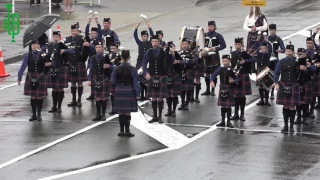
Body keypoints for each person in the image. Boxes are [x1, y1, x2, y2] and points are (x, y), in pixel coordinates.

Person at [274, 44, 313, 132]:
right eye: (287, 51)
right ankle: (285, 126)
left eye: (290, 51)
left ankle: (291, 126)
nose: (288, 53)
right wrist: (276, 83)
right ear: (285, 52)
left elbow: (306, 71)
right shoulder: (281, 61)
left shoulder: (297, 62)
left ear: (293, 52)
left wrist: (304, 68)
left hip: (294, 85)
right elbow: (276, 73)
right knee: (285, 105)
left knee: (292, 106)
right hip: (283, 84)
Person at [142, 35, 174, 123]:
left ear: (159, 42)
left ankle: (160, 116)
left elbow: (170, 61)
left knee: (160, 98)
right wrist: (146, 73)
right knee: (153, 98)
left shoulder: (164, 51)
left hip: (161, 76)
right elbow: (144, 63)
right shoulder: (149, 52)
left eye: (156, 41)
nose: (154, 43)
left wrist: (171, 52)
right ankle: (154, 116)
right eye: (153, 41)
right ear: (151, 42)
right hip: (152, 76)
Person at [111, 50, 141, 137]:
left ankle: (121, 131)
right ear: (129, 58)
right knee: (127, 112)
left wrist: (118, 86)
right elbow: (136, 83)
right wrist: (138, 94)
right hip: (129, 90)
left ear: (121, 57)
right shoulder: (133, 69)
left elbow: (113, 81)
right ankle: (127, 131)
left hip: (119, 90)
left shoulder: (116, 68)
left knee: (121, 112)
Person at [18, 40, 48, 121]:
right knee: (33, 96)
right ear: (31, 46)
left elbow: (48, 65)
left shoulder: (43, 55)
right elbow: (23, 66)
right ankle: (34, 114)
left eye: (36, 44)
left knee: (39, 96)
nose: (34, 46)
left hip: (40, 76)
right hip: (31, 76)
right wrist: (19, 77)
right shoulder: (28, 55)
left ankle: (39, 114)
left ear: (39, 46)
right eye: (33, 44)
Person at [45, 31, 74, 113]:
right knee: (54, 89)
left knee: (60, 89)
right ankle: (54, 106)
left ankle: (59, 107)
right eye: (54, 36)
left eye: (57, 36)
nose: (55, 38)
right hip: (52, 69)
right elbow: (46, 55)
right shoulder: (49, 45)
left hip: (61, 69)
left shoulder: (61, 45)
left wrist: (65, 50)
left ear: (59, 37)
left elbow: (72, 52)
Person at [210, 55, 238, 128]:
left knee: (228, 106)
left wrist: (234, 81)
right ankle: (222, 121)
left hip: (229, 88)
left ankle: (228, 121)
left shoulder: (232, 69)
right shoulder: (220, 69)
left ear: (229, 61)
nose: (224, 63)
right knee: (223, 106)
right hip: (222, 88)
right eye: (223, 61)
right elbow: (212, 76)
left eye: (226, 61)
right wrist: (211, 81)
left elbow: (238, 78)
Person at [88, 40, 113, 121]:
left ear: (103, 48)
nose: (98, 49)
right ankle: (98, 114)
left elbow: (114, 67)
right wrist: (89, 79)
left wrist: (109, 66)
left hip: (104, 78)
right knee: (97, 97)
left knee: (103, 97)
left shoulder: (107, 57)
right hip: (95, 78)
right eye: (97, 47)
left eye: (100, 47)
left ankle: (103, 114)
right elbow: (91, 69)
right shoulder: (92, 58)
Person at [230, 37, 252, 121]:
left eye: (239, 44)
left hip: (243, 76)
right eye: (236, 44)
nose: (237, 46)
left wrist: (245, 61)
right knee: (236, 96)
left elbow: (253, 59)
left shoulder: (244, 53)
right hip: (235, 76)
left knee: (242, 97)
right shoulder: (232, 53)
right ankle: (235, 114)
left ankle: (242, 114)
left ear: (241, 45)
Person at [202, 20, 226, 96]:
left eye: (211, 26)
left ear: (214, 27)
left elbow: (223, 45)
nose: (210, 28)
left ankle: (213, 90)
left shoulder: (218, 35)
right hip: (206, 56)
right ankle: (207, 89)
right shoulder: (204, 35)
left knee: (214, 74)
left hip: (214, 57)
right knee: (206, 74)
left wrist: (215, 49)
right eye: (209, 26)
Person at [65, 24, 87, 107]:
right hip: (71, 63)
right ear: (71, 31)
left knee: (80, 83)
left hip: (79, 62)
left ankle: (79, 100)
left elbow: (86, 49)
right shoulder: (67, 39)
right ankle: (73, 100)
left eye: (76, 31)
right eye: (73, 31)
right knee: (73, 83)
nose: (74, 32)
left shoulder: (81, 39)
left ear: (78, 31)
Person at [134, 20, 154, 101]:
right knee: (141, 80)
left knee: (147, 80)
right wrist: (137, 26)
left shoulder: (150, 43)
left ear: (147, 37)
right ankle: (142, 95)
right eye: (142, 36)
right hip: (139, 63)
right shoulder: (140, 43)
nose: (143, 37)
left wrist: (149, 26)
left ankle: (148, 94)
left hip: (148, 64)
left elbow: (153, 35)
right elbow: (135, 36)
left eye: (145, 36)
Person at [177, 38, 197, 110]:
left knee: (188, 89)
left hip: (189, 72)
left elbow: (192, 62)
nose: (184, 45)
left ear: (189, 44)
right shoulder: (178, 53)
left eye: (186, 44)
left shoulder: (192, 53)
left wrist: (180, 62)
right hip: (181, 72)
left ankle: (187, 103)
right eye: (183, 44)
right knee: (181, 90)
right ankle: (182, 103)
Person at [85, 17, 102, 101]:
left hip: (98, 60)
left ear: (97, 34)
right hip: (90, 60)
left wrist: (97, 22)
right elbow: (85, 34)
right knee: (90, 76)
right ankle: (92, 93)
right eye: (92, 33)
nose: (93, 34)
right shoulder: (90, 40)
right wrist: (88, 23)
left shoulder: (98, 40)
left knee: (97, 77)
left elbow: (100, 32)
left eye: (94, 33)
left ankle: (98, 92)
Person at [294, 48, 313, 125]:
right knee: (298, 102)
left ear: (305, 54)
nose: (302, 55)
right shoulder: (295, 61)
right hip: (297, 83)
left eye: (303, 54)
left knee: (305, 103)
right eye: (300, 54)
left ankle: (304, 118)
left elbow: (313, 70)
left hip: (306, 83)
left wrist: (307, 68)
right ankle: (298, 118)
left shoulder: (308, 60)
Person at [268, 23, 285, 99]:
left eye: (273, 30)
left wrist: (280, 51)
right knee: (267, 75)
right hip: (268, 59)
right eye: (271, 30)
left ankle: (272, 92)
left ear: (275, 30)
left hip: (275, 59)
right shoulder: (267, 39)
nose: (272, 32)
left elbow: (283, 49)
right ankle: (266, 92)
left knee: (274, 75)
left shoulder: (278, 39)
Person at [165, 42, 181, 117]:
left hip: (175, 76)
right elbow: (165, 63)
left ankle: (174, 111)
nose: (172, 48)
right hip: (168, 75)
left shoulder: (177, 54)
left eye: (173, 47)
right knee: (168, 95)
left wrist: (174, 54)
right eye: (170, 47)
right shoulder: (166, 55)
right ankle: (169, 110)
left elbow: (181, 62)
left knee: (174, 94)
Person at [253, 41, 272, 106]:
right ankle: (261, 100)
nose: (263, 49)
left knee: (266, 85)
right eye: (262, 48)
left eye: (264, 48)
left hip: (265, 69)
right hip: (259, 69)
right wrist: (257, 41)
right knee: (260, 86)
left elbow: (271, 48)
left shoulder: (268, 54)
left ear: (267, 49)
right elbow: (256, 47)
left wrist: (268, 42)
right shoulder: (259, 54)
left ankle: (266, 100)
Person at [306, 37, 320, 117]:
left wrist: (315, 65)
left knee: (313, 94)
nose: (309, 45)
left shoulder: (317, 53)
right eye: (308, 43)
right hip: (306, 76)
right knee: (306, 94)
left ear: (313, 44)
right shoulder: (303, 52)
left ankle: (311, 111)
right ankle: (306, 110)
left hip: (316, 75)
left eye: (310, 43)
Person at [108, 42, 122, 115]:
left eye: (114, 48)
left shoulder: (119, 56)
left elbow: (119, 66)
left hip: (118, 77)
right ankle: (114, 108)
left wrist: (110, 66)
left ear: (116, 49)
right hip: (110, 76)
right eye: (111, 48)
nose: (112, 50)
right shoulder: (108, 56)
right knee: (112, 94)